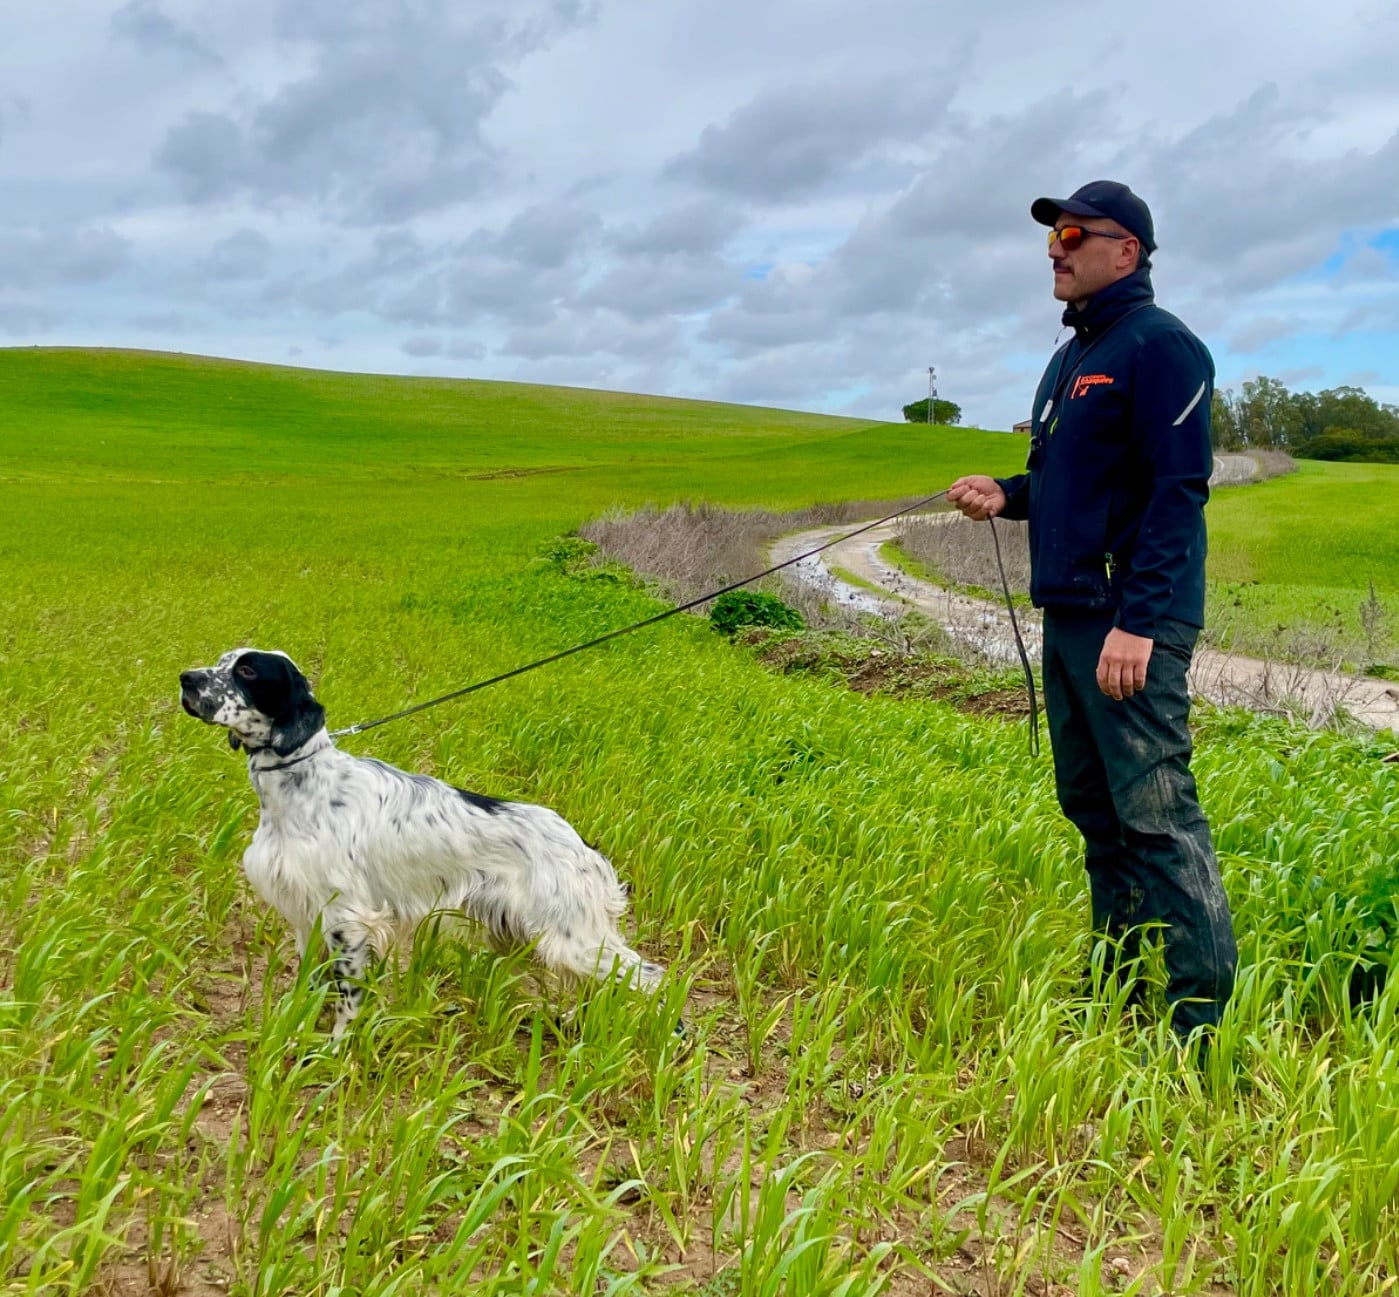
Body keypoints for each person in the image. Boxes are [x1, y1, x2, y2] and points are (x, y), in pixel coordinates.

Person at [948, 180, 1238, 1039]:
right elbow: (1073, 483)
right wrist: (1005, 494)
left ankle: (1197, 1026)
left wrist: (1138, 623)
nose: (1055, 248)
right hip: (1071, 613)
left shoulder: (1161, 346)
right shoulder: (1070, 357)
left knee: (1156, 815)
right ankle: (1114, 990)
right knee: (1095, 811)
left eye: (1074, 234)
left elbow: (1176, 493)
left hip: (1128, 618)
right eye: (1051, 236)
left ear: (1127, 251)